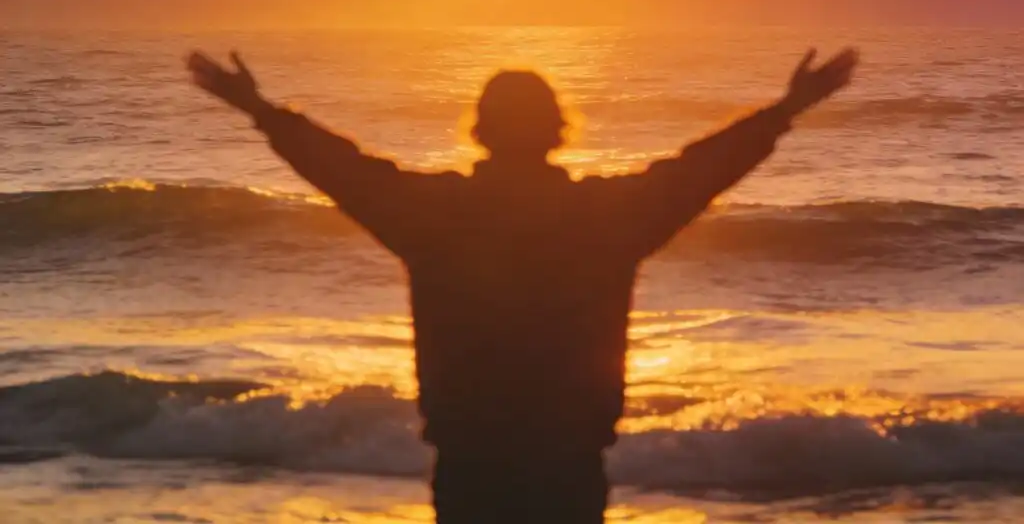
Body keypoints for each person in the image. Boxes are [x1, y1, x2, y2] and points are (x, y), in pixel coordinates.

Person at [187, 46, 858, 523]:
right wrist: (787, 108)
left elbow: (343, 169)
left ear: (479, 131)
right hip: (566, 460)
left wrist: (260, 110)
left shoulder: (436, 216)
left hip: (471, 457)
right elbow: (700, 170)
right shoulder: (605, 218)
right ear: (558, 132)